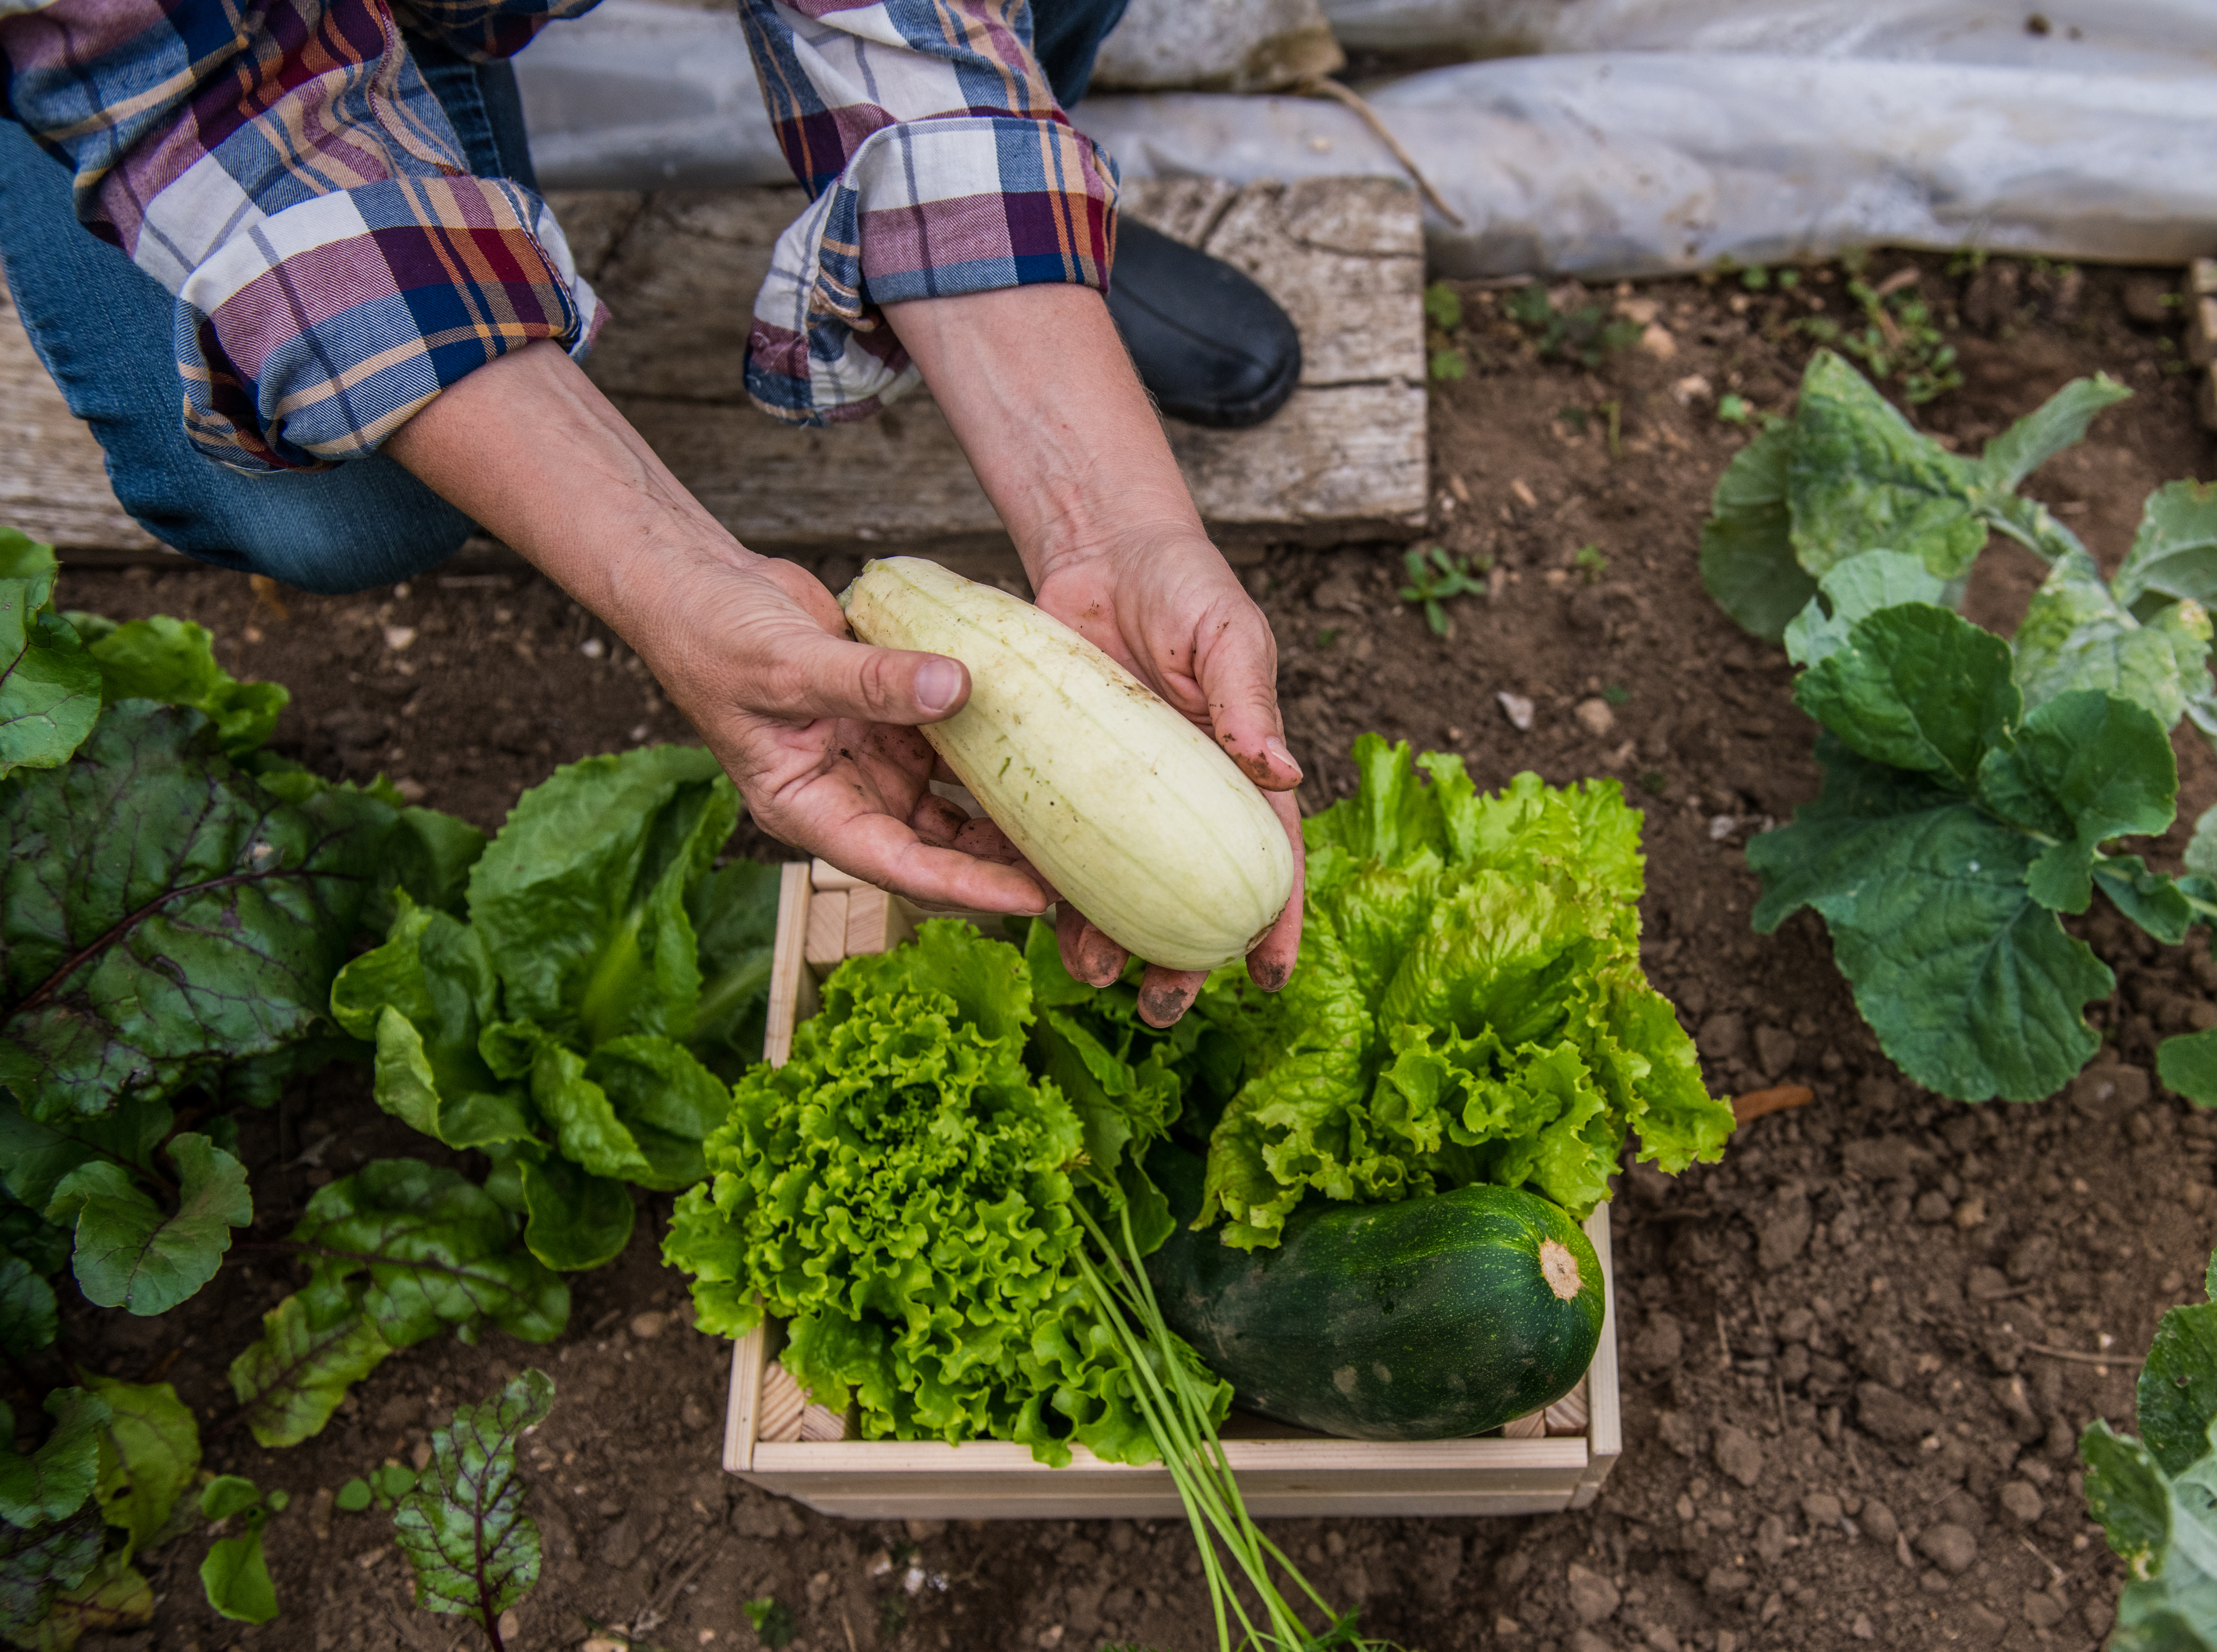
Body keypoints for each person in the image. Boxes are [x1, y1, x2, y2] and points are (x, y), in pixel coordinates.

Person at [0, 0, 1304, 1026]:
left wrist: (1107, 513)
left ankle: (1009, 232)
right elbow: (217, 98)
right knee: (343, 509)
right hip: (192, 54)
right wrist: (668, 572)